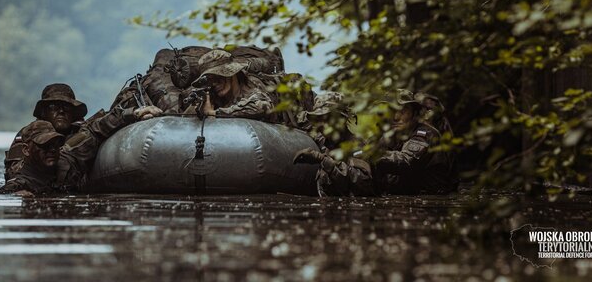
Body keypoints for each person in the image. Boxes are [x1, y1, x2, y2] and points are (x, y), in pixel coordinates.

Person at [293, 89, 458, 196]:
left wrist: (369, 154)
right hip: (404, 200)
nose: (395, 117)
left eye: (402, 111)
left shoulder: (425, 133)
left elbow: (407, 161)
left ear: (414, 113)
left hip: (433, 200)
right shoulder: (385, 137)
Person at [0, 105, 163, 196]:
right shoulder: (19, 184)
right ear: (26, 150)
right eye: (44, 145)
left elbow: (93, 131)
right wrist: (16, 195)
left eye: (55, 143)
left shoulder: (67, 157)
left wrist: (132, 113)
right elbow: (4, 193)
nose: (52, 150)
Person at [4, 83, 89, 181]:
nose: (61, 111)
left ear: (73, 113)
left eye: (67, 107)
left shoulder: (83, 131)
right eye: (54, 107)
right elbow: (13, 172)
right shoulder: (28, 135)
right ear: (44, 112)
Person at [191, 49, 277, 121]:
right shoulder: (213, 96)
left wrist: (213, 113)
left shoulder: (250, 85)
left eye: (218, 77)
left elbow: (262, 107)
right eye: (210, 80)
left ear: (232, 74)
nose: (214, 83)